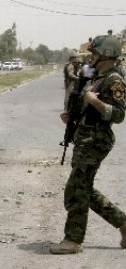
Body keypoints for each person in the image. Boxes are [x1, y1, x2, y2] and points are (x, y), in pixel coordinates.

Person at [50, 35, 126, 255]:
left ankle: (73, 240)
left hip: (96, 141)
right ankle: (122, 223)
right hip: (85, 140)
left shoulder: (114, 80)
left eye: (95, 53)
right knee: (83, 189)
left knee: (76, 189)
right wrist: (72, 116)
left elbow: (119, 115)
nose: (91, 57)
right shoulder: (97, 77)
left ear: (107, 55)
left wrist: (95, 101)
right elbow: (87, 109)